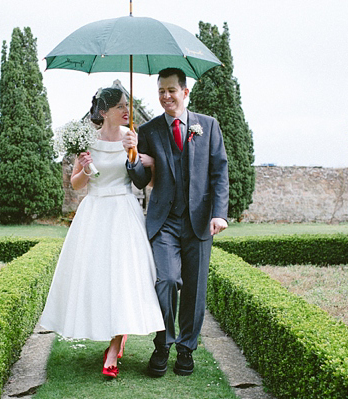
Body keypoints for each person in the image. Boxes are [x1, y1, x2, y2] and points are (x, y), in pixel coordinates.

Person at [39, 86, 164, 378]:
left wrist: (136, 155)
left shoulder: (132, 137)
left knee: (124, 276)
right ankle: (108, 331)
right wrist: (82, 167)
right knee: (98, 277)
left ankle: (114, 346)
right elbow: (77, 184)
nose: (127, 111)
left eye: (128, 106)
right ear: (105, 111)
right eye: (121, 106)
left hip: (123, 211)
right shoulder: (87, 140)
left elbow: (142, 181)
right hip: (94, 212)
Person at [123, 68, 229, 377]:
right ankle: (163, 343)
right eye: (161, 91)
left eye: (171, 90)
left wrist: (219, 212)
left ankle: (186, 348)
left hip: (198, 221)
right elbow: (142, 181)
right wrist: (132, 157)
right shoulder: (149, 130)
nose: (165, 96)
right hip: (164, 221)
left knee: (195, 288)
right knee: (165, 280)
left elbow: (219, 173)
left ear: (185, 92)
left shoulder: (207, 126)